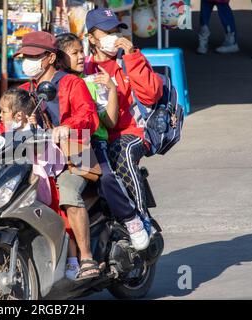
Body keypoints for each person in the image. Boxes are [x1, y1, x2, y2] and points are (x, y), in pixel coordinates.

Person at [0, 31, 101, 280]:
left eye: (33, 56)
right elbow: (8, 132)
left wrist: (66, 127)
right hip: (36, 161)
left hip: (73, 156)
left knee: (68, 195)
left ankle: (86, 257)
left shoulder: (73, 83)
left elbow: (89, 117)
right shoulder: (23, 91)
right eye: (25, 55)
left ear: (49, 57)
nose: (27, 60)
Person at [55, 32, 150, 251]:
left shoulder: (89, 82)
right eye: (74, 53)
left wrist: (112, 89)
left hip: (90, 143)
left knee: (106, 178)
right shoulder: (51, 85)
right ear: (59, 59)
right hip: (59, 148)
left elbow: (109, 121)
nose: (81, 57)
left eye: (81, 52)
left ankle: (131, 218)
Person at [84, 8, 163, 240]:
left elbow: (151, 95)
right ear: (91, 38)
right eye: (106, 31)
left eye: (116, 30)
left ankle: (140, 219)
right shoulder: (84, 66)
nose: (113, 36)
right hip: (95, 135)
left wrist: (132, 56)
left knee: (124, 151)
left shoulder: (129, 61)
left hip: (131, 132)